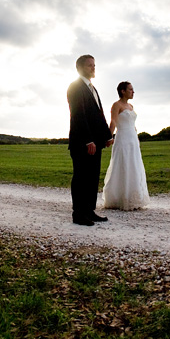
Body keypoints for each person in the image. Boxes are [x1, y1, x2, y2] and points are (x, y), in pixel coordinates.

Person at [67, 55, 114, 226]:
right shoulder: (75, 87)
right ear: (79, 68)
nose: (93, 68)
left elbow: (98, 116)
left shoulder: (93, 88)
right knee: (81, 178)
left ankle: (89, 211)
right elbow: (78, 115)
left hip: (96, 142)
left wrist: (107, 136)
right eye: (89, 66)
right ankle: (78, 214)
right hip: (82, 143)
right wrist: (88, 140)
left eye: (94, 65)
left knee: (93, 177)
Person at [102, 81, 150, 210]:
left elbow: (132, 124)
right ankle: (120, 198)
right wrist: (109, 136)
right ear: (122, 91)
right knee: (123, 164)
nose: (133, 92)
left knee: (134, 165)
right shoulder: (116, 105)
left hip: (132, 139)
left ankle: (134, 197)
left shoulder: (131, 106)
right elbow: (113, 121)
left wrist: (136, 137)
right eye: (130, 89)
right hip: (122, 138)